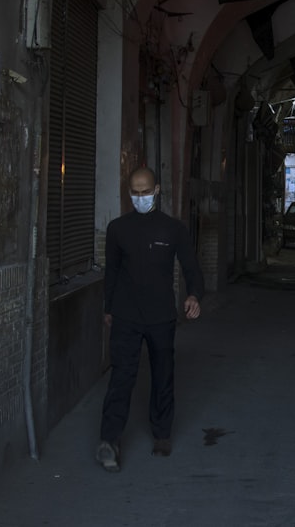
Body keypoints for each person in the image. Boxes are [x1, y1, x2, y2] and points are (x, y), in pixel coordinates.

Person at [95, 166, 204, 472]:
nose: (140, 197)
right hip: (126, 316)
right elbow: (112, 272)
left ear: (157, 190)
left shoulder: (174, 229)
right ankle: (109, 440)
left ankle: (162, 434)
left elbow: (191, 267)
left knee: (163, 375)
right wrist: (108, 308)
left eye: (145, 191)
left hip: (161, 316)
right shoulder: (117, 229)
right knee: (121, 378)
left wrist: (194, 295)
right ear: (129, 192)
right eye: (135, 192)